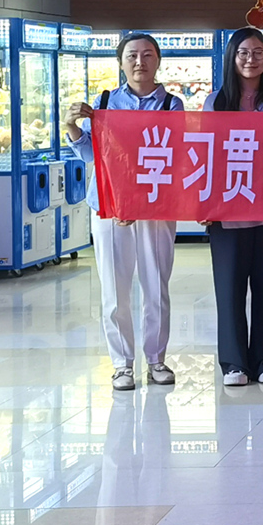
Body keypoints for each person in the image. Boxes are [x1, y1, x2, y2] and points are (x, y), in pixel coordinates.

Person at [63, 33, 183, 391]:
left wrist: (138, 201)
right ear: (120, 62)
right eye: (132, 55)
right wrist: (71, 126)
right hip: (108, 208)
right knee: (114, 290)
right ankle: (121, 364)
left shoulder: (172, 106)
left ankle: (156, 359)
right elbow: (92, 155)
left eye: (147, 55)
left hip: (155, 209)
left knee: (155, 286)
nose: (139, 62)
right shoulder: (103, 103)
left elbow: (174, 157)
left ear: (158, 61)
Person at [203, 28, 263, 387]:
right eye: (243, 52)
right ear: (232, 57)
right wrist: (205, 203)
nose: (251, 59)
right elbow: (206, 155)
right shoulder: (216, 101)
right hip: (227, 212)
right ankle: (234, 363)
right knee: (229, 290)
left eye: (259, 52)